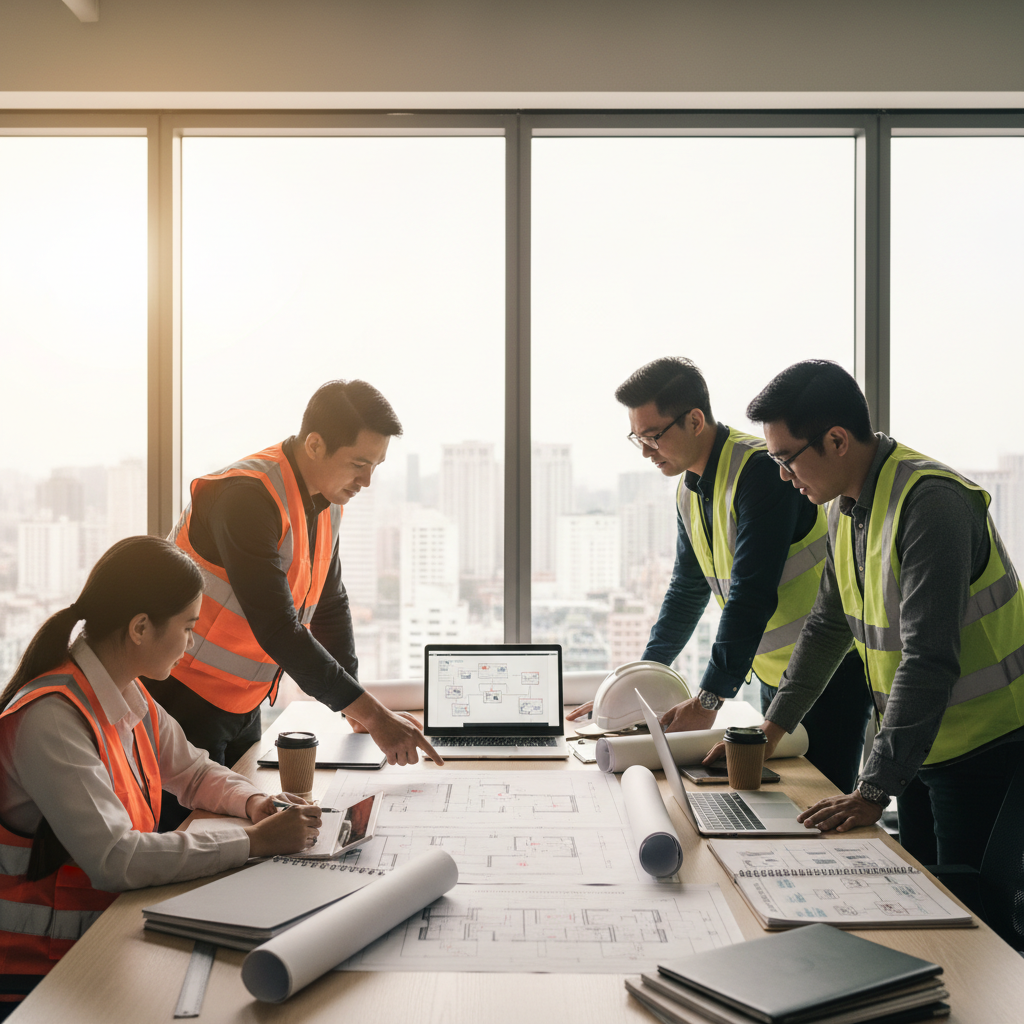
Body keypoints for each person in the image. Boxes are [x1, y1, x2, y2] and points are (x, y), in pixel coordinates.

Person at [712, 359, 1024, 868]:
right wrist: (771, 731)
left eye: (787, 459)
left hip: (986, 748)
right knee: (928, 899)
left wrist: (872, 789)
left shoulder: (932, 505)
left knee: (974, 920)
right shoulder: (845, 506)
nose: (784, 478)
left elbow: (928, 659)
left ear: (836, 440)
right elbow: (827, 625)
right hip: (924, 746)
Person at [0, 537, 320, 1014]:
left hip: (104, 934)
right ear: (141, 628)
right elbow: (115, 858)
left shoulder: (126, 694)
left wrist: (255, 803)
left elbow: (191, 772)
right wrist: (255, 842)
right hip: (44, 974)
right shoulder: (52, 717)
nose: (191, 645)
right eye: (188, 628)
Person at [568, 357, 870, 792]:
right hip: (774, 675)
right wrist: (636, 681)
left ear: (694, 420)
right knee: (782, 796)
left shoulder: (762, 472)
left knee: (818, 801)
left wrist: (710, 698)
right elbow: (686, 591)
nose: (647, 451)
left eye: (653, 436)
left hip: (828, 673)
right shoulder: (689, 490)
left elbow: (751, 594)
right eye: (638, 438)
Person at [147, 379, 441, 827]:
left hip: (243, 704)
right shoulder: (247, 497)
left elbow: (329, 604)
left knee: (234, 838)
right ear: (316, 444)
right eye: (358, 464)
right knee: (186, 842)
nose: (366, 481)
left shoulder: (327, 502)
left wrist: (355, 709)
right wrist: (374, 715)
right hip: (183, 700)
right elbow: (278, 627)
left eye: (376, 466)